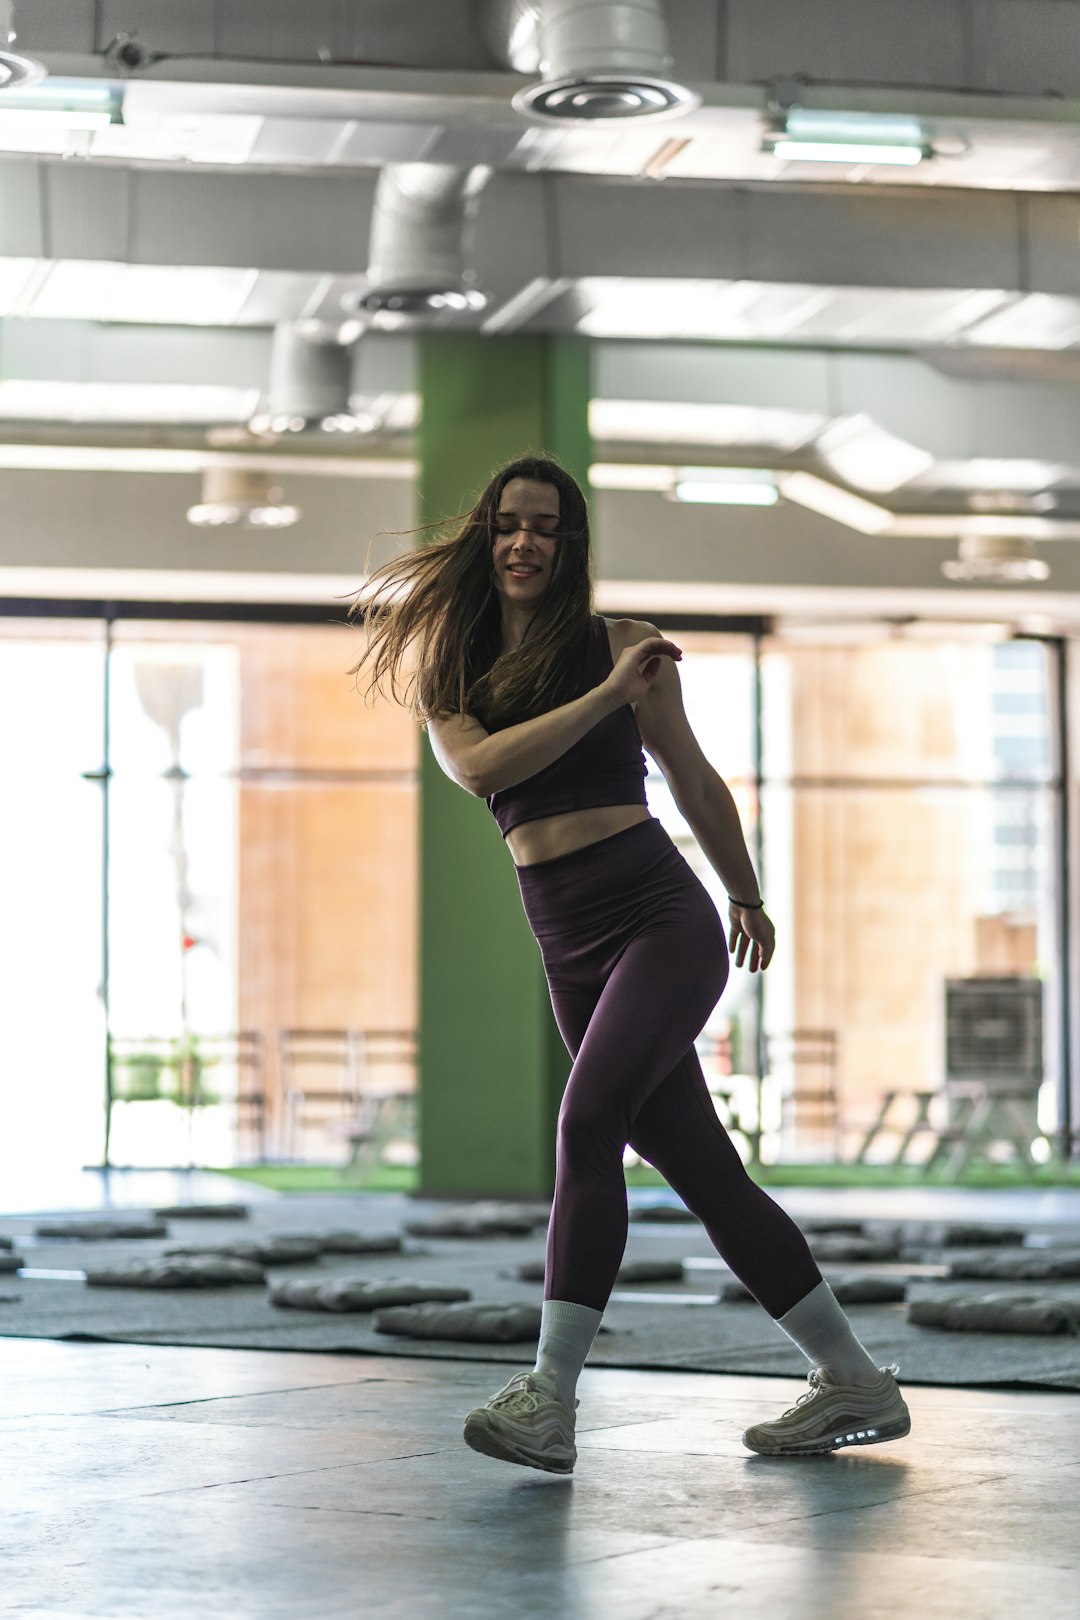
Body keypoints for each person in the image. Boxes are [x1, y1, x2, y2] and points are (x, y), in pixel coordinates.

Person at [348, 454, 910, 1474]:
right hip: (566, 940)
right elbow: (483, 769)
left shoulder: (625, 646)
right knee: (705, 1173)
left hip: (659, 916)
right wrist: (606, 696)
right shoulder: (455, 670)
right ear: (487, 536)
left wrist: (745, 892)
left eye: (546, 527)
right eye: (508, 523)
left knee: (586, 1119)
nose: (525, 542)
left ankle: (549, 1398)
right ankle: (856, 1383)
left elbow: (692, 779)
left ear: (571, 545)